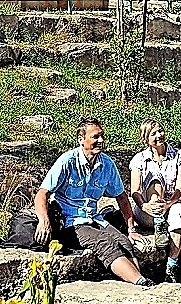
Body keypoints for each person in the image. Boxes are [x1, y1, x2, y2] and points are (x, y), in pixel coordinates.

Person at [33, 117, 151, 286]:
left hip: (95, 219)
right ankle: (141, 284)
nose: (101, 140)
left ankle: (136, 283)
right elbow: (42, 193)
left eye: (102, 136)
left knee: (124, 242)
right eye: (96, 137)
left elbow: (122, 197)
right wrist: (44, 221)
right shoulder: (67, 161)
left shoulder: (107, 164)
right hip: (70, 223)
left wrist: (131, 229)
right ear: (81, 139)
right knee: (104, 243)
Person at [130, 119, 181, 283]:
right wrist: (146, 206)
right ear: (145, 139)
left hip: (169, 206)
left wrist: (168, 205)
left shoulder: (179, 155)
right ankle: (158, 222)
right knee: (154, 177)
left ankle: (171, 266)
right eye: (153, 133)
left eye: (160, 131)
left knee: (179, 210)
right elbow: (134, 191)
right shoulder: (139, 159)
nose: (159, 135)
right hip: (147, 211)